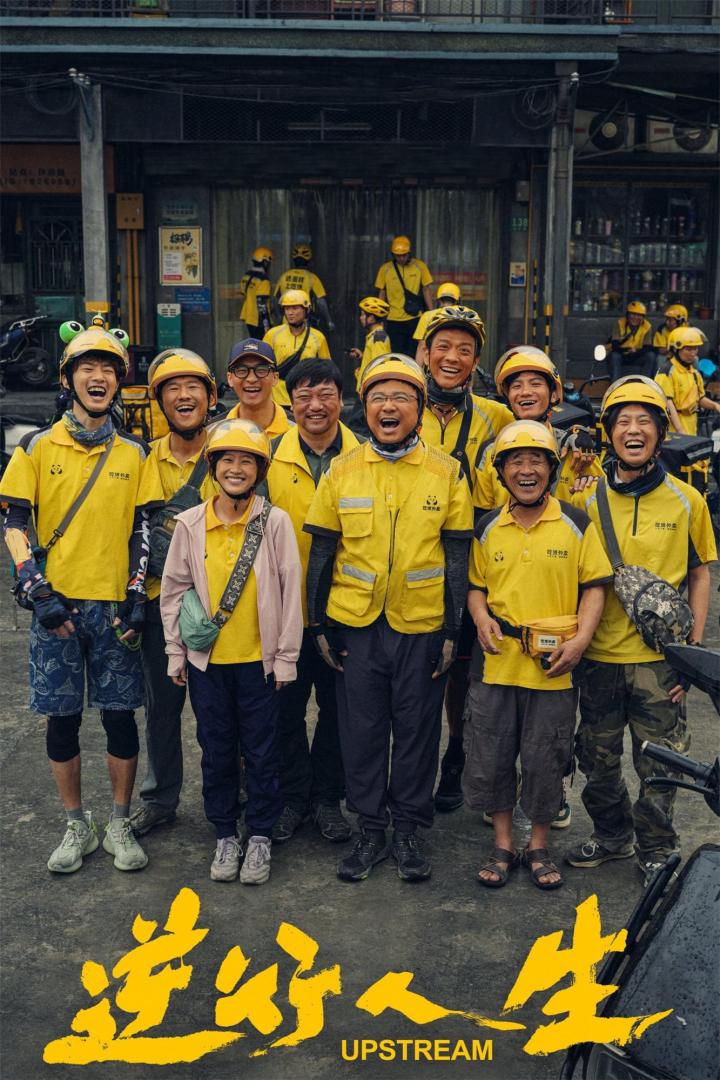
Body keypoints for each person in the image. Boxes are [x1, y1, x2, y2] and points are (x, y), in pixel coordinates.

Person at [304, 354, 473, 883]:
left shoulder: (447, 472)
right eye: (378, 397)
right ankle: (371, 828)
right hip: (356, 627)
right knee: (362, 731)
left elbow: (457, 557)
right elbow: (323, 552)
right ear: (365, 407)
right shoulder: (342, 469)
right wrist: (317, 624)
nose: (388, 406)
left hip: (422, 627)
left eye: (401, 397)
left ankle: (408, 830)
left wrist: (452, 631)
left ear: (419, 409)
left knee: (418, 731)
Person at [0, 324, 158, 873]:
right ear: (67, 380)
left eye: (108, 369)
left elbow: (142, 527)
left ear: (119, 382)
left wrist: (137, 592)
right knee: (61, 721)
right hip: (58, 610)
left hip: (114, 612)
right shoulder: (36, 447)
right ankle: (75, 824)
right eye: (87, 368)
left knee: (120, 717)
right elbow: (14, 523)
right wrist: (34, 588)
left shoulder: (135, 452)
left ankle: (118, 821)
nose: (98, 377)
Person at [566, 376, 716, 886]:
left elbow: (699, 573)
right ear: (609, 432)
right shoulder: (587, 500)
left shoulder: (687, 500)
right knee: (596, 757)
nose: (634, 430)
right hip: (599, 656)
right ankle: (612, 836)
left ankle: (656, 847)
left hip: (660, 662)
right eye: (623, 421)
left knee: (662, 763)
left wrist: (692, 652)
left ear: (659, 432)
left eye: (644, 421)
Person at [465, 421, 611, 891]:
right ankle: (503, 844)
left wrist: (581, 640)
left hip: (554, 669)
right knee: (492, 754)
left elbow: (594, 587)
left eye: (535, 461)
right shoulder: (488, 526)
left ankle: (539, 845)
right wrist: (481, 618)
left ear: (551, 469)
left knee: (546, 757)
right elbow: (476, 587)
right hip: (497, 663)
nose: (525, 470)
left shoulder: (576, 523)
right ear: (502, 471)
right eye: (515, 461)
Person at [160, 419, 303, 884]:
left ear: (260, 470)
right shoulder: (190, 523)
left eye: (247, 461)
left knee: (263, 751)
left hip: (260, 665)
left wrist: (286, 658)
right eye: (227, 460)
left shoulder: (274, 522)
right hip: (208, 665)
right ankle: (225, 832)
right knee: (216, 749)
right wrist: (176, 653)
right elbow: (174, 591)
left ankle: (259, 835)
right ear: (213, 466)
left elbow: (290, 592)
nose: (236, 469)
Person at [472, 346, 603, 828]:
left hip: (565, 585)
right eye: (515, 385)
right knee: (497, 722)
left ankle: (552, 792)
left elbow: (593, 507)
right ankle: (502, 800)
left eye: (535, 383)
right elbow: (486, 514)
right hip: (509, 576)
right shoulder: (494, 450)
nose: (525, 392)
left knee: (552, 723)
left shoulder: (578, 445)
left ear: (554, 391)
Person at [416, 306, 513, 813]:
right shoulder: (404, 405)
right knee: (419, 669)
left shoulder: (498, 417)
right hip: (416, 558)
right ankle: (413, 770)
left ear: (476, 361)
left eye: (465, 350)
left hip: (475, 560)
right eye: (443, 347)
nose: (452, 357)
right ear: (425, 352)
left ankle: (455, 754)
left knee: (461, 670)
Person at [265, 360, 360, 845]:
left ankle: (327, 799)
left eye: (325, 395)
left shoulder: (365, 457)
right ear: (290, 403)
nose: (315, 406)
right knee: (283, 712)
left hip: (346, 612)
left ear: (342, 400)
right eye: (303, 396)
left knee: (338, 714)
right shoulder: (267, 458)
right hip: (282, 613)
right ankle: (292, 798)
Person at [128, 349, 218, 838]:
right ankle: (160, 798)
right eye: (172, 390)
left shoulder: (229, 451)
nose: (184, 397)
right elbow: (135, 531)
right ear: (160, 401)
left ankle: (228, 797)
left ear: (210, 397)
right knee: (161, 710)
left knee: (219, 713)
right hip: (159, 605)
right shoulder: (144, 458)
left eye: (193, 387)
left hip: (217, 608)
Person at [655, 325, 720, 493]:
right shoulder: (667, 371)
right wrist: (680, 430)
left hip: (691, 424)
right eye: (688, 349)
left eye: (695, 349)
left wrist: (715, 406)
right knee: (675, 470)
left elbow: (700, 398)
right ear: (676, 348)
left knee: (692, 471)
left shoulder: (694, 373)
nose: (693, 353)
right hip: (673, 430)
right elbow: (667, 403)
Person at [263, 289, 331, 412]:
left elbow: (327, 370)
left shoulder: (318, 337)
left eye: (295, 308)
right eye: (287, 308)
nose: (290, 313)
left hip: (306, 400)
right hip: (277, 400)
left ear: (306, 310)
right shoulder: (272, 335)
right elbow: (262, 366)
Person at [374, 236, 433, 357]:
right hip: (393, 319)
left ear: (409, 253)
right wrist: (378, 318)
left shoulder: (419, 266)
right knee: (396, 354)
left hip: (414, 318)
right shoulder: (386, 269)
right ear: (393, 255)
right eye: (398, 255)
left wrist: (432, 313)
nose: (401, 258)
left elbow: (426, 289)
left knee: (414, 353)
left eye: (404, 255)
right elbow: (382, 293)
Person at [225, 338, 293, 440]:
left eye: (261, 370)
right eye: (242, 370)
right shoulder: (215, 432)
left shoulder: (298, 430)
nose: (251, 379)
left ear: (275, 378)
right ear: (230, 378)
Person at [274, 245, 334, 331]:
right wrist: (329, 320)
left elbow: (276, 298)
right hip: (304, 321)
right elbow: (320, 302)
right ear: (309, 261)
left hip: (287, 320)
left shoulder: (284, 276)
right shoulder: (312, 277)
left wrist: (279, 317)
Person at [348, 296, 391, 393]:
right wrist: (361, 356)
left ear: (371, 318)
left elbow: (379, 367)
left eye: (363, 314)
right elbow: (374, 359)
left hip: (370, 391)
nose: (360, 318)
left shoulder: (378, 338)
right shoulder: (374, 336)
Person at [413, 282, 461, 366]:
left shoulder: (428, 316)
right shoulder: (465, 317)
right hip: (456, 365)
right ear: (458, 300)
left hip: (433, 365)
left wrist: (417, 371)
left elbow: (422, 346)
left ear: (439, 300)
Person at [606, 300, 656, 382]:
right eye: (633, 314)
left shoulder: (647, 326)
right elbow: (615, 345)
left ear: (643, 317)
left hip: (638, 355)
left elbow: (647, 348)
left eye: (639, 315)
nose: (635, 317)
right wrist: (626, 350)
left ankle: (644, 383)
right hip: (622, 354)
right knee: (614, 356)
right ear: (627, 315)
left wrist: (636, 351)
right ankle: (615, 383)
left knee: (650, 356)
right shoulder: (619, 323)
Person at [239, 246, 274, 338]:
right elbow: (261, 303)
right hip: (259, 320)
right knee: (263, 344)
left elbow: (243, 293)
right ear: (265, 263)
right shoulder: (263, 280)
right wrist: (267, 324)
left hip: (248, 317)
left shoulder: (246, 276)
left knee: (254, 343)